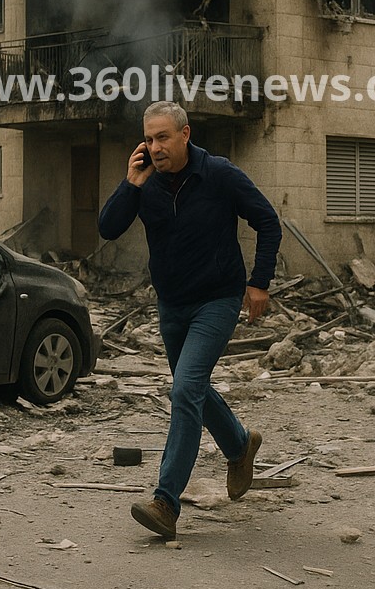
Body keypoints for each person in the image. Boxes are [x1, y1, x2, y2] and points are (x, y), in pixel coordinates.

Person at [98, 101, 281, 539]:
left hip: (216, 300)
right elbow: (108, 228)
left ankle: (165, 502)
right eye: (148, 139)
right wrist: (130, 184)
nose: (155, 147)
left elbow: (268, 221)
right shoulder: (144, 181)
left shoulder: (218, 173)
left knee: (183, 389)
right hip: (172, 305)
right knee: (191, 388)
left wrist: (259, 283)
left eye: (163, 137)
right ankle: (240, 445)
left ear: (185, 134)